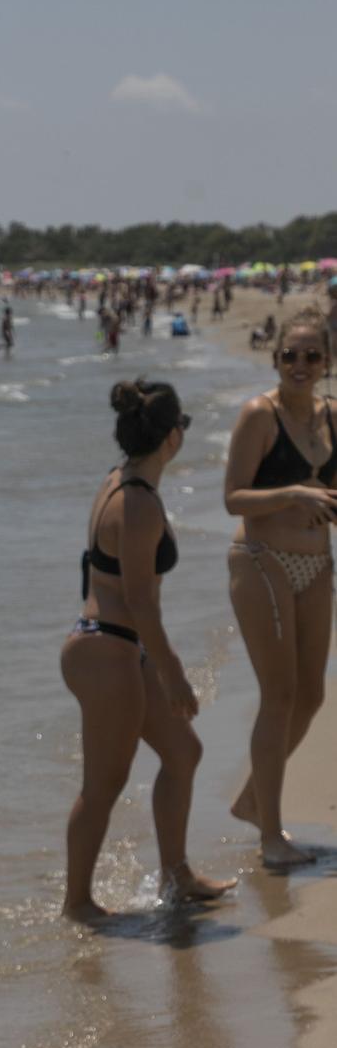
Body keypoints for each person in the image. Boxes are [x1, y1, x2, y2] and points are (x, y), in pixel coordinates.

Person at [59, 379, 234, 919]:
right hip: (108, 649)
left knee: (184, 752)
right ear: (172, 438)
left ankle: (177, 876)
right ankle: (78, 903)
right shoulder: (136, 502)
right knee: (104, 785)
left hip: (112, 647)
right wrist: (173, 671)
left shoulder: (121, 481)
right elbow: (139, 601)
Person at [224, 304, 337, 867]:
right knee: (280, 695)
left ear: (327, 361)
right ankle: (271, 835)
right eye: (290, 355)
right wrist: (293, 494)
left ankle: (252, 799)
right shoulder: (258, 416)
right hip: (261, 562)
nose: (300, 364)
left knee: (313, 694)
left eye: (312, 355)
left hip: (318, 566)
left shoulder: (333, 416)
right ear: (275, 358)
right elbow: (233, 498)